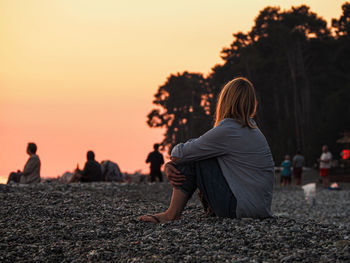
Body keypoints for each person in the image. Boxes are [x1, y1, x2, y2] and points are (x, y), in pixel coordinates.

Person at [138, 77, 274, 223]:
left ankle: (171, 214)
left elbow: (182, 154)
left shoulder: (229, 129)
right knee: (198, 152)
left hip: (240, 208)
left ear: (225, 101)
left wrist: (170, 163)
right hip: (260, 209)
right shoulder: (253, 130)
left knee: (193, 158)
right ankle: (209, 208)